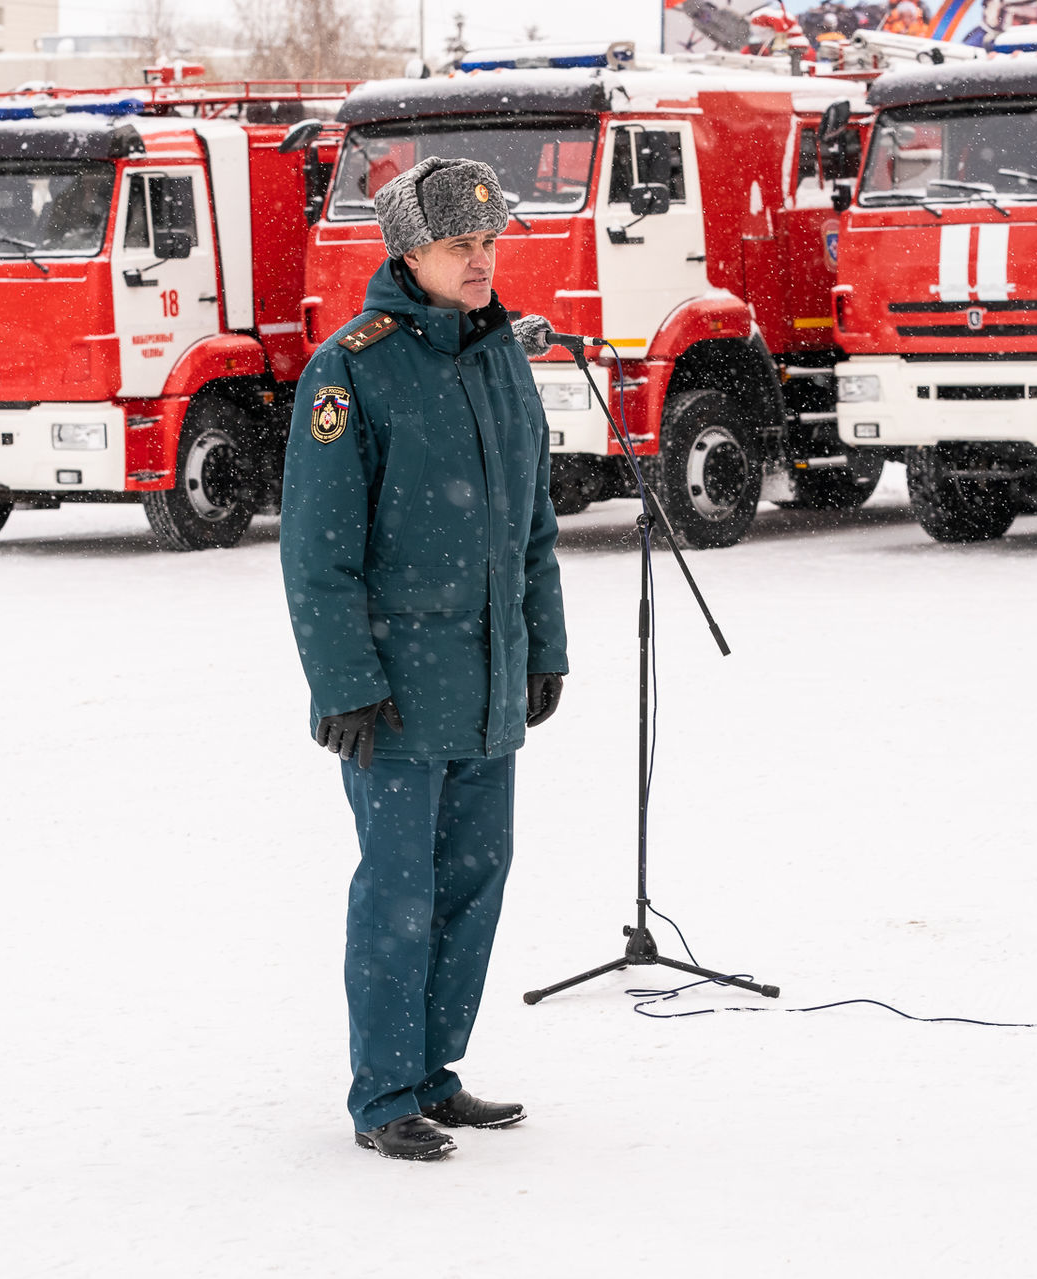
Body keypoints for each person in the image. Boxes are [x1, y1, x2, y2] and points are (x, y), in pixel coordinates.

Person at [279, 156, 569, 1162]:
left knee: (474, 880)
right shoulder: (352, 367)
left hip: (489, 680)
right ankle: (384, 1092)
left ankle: (436, 1072)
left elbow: (533, 523)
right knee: (399, 891)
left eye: (490, 242)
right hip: (397, 693)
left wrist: (546, 648)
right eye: (461, 246)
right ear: (410, 252)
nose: (482, 261)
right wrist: (346, 682)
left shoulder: (499, 355)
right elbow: (318, 550)